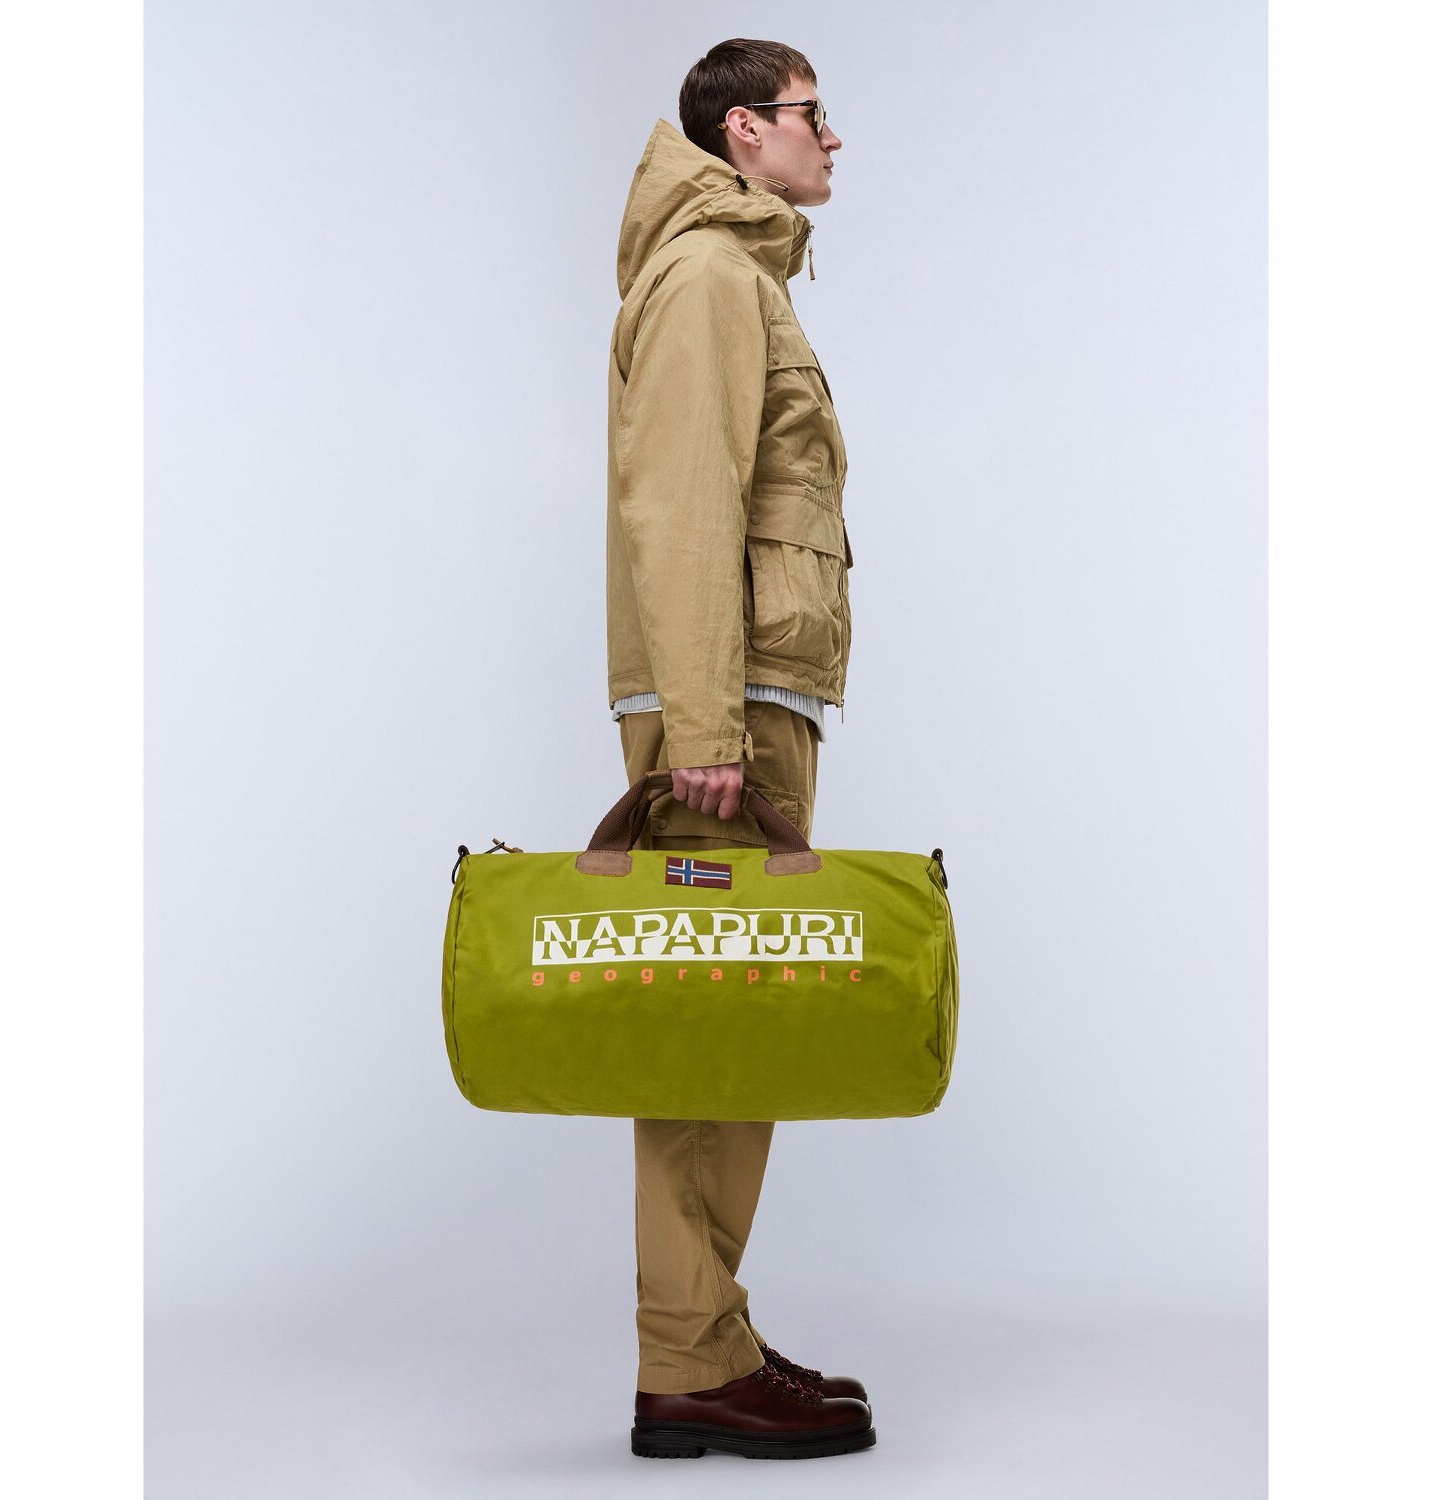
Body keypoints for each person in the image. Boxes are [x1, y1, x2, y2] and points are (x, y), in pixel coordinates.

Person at [605, 39, 872, 1461]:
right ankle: (690, 1363)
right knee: (712, 1025)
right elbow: (684, 503)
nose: (835, 139)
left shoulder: (735, 272)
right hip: (732, 712)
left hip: (752, 695)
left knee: (733, 1017)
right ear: (744, 129)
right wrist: (706, 727)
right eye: (815, 114)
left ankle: (707, 1338)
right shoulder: (712, 275)